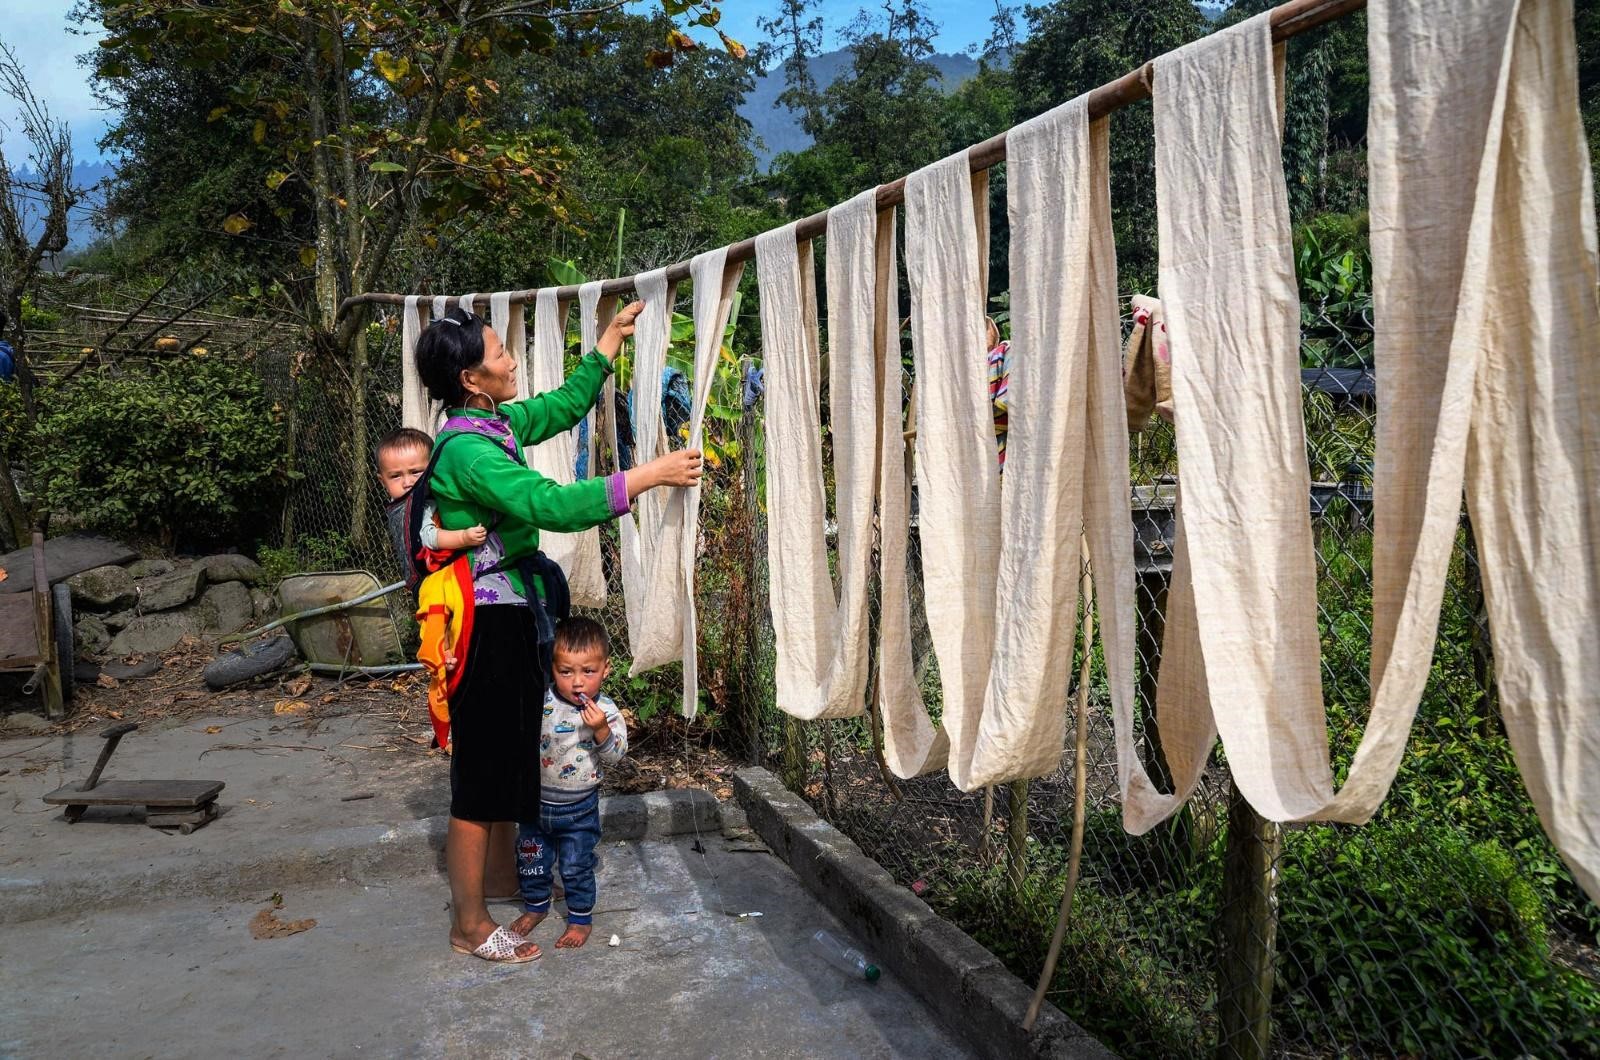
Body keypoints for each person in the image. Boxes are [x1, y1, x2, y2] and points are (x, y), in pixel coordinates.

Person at [415, 301, 701, 964]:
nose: (512, 359)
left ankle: (500, 879)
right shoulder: (469, 452)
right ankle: (467, 921)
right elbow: (553, 505)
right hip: (485, 622)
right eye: (499, 352)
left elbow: (564, 407)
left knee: (512, 754)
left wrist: (605, 345)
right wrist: (649, 475)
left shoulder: (496, 421)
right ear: (470, 379)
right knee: (481, 774)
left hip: (515, 610)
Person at [508, 616, 627, 949]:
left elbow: (617, 754)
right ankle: (535, 907)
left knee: (576, 867)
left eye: (588, 672)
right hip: (535, 804)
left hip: (579, 809)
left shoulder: (605, 710)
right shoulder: (542, 701)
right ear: (553, 668)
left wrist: (602, 730)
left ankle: (579, 919)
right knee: (531, 860)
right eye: (566, 672)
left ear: (606, 669)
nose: (577, 683)